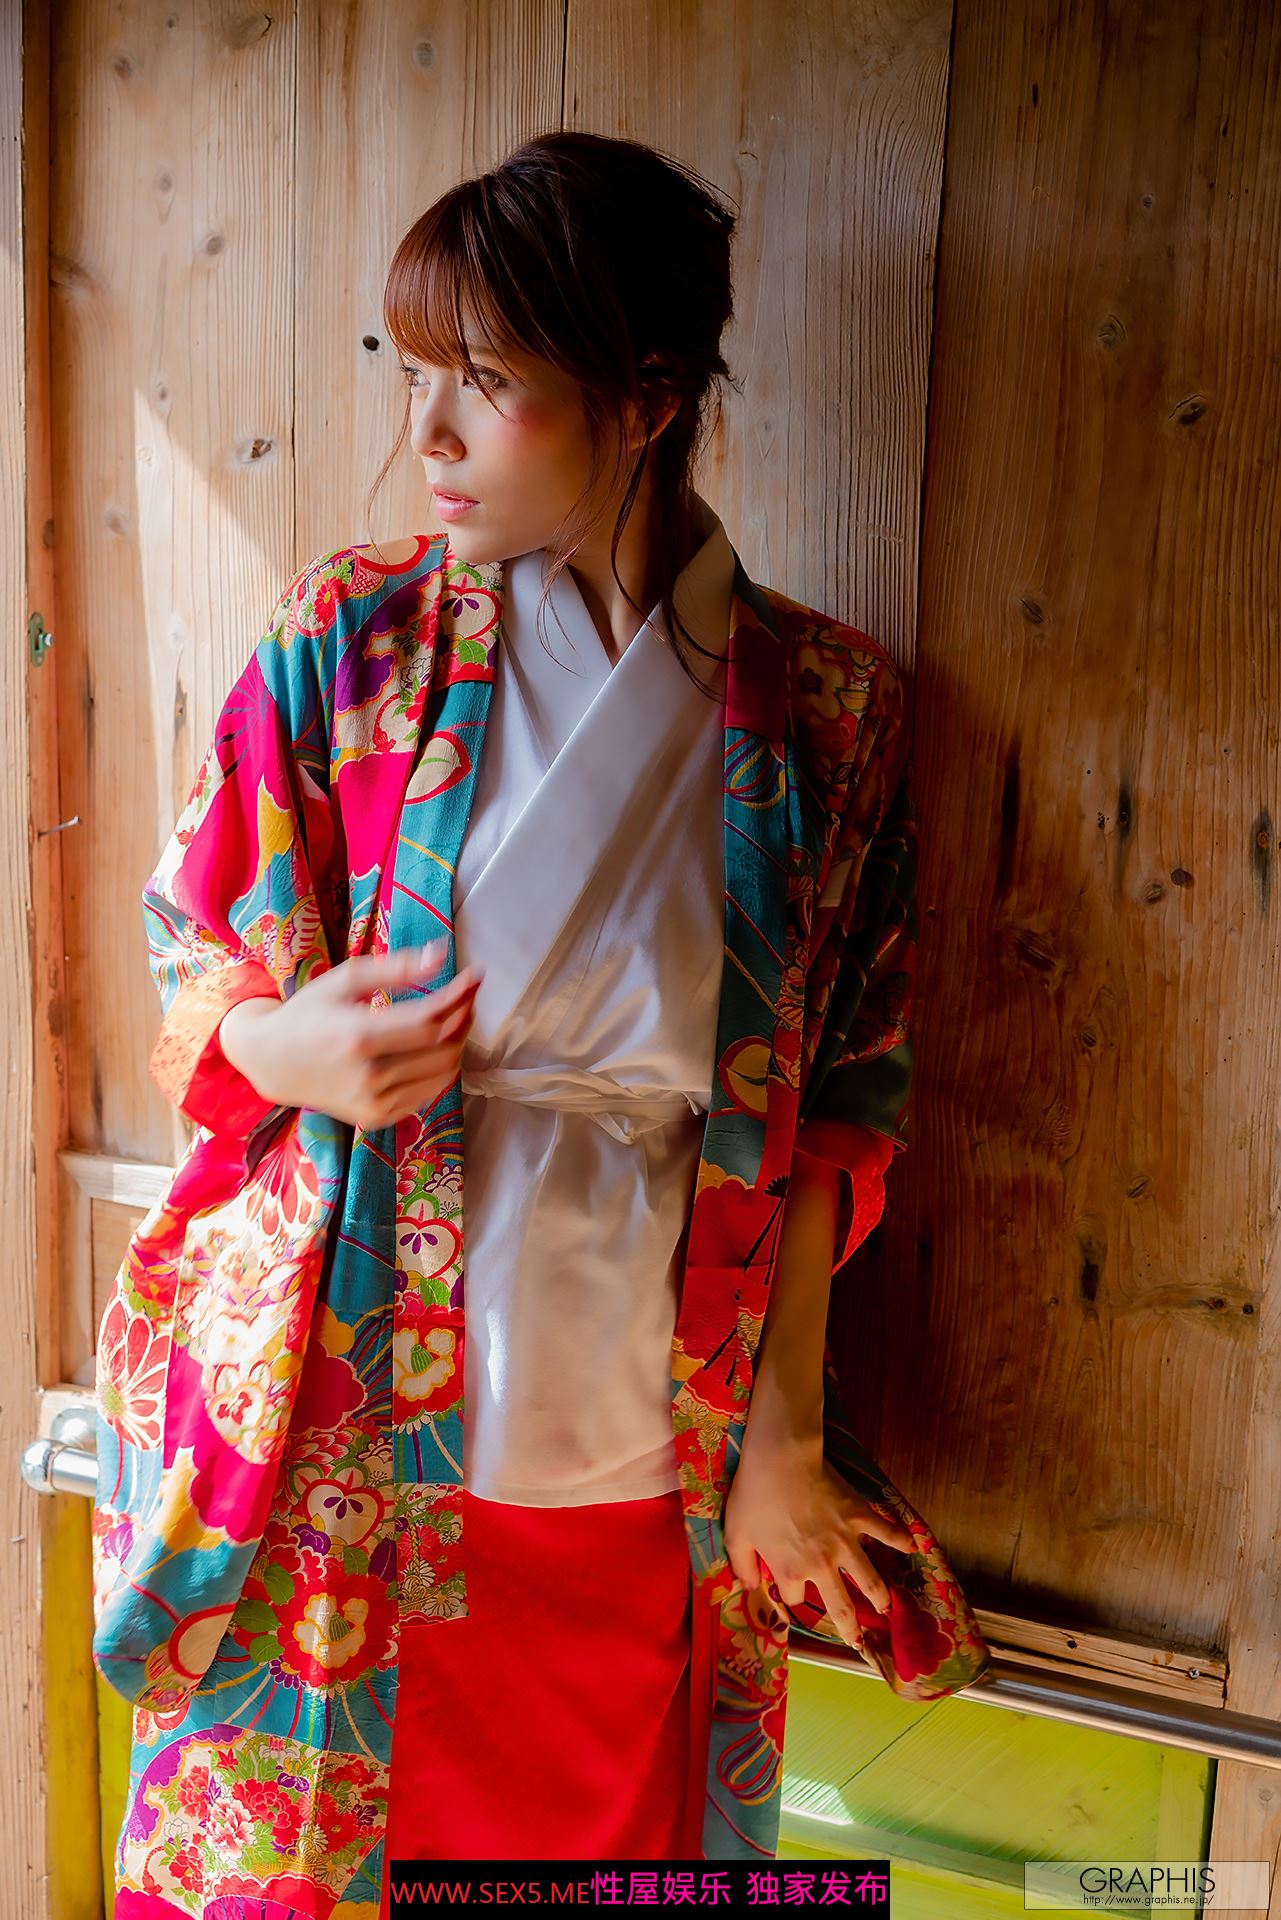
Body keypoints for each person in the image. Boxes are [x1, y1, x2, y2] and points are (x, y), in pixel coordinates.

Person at [90, 130, 991, 1917]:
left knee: (598, 1864)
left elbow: (835, 1105)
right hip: (349, 1410)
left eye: (484, 383)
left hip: (646, 1420)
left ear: (646, 398)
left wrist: (780, 1436)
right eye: (412, 372)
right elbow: (196, 944)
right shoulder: (351, 636)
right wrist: (288, 1050)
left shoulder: (825, 712)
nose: (426, 432)